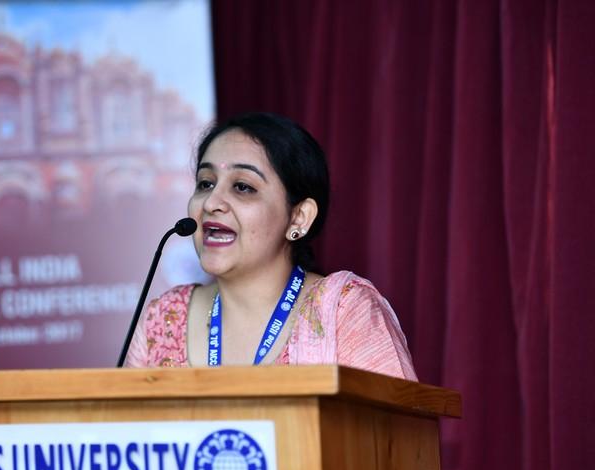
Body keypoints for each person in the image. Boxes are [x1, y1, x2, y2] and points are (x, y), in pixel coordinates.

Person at [125, 112, 417, 381]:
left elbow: (398, 422)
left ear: (299, 217)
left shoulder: (344, 312)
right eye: (205, 183)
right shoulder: (162, 319)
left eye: (243, 187)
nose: (211, 203)